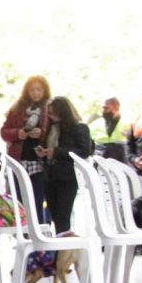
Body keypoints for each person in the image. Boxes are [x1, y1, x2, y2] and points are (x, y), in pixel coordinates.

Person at [36, 96, 92, 235]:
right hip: (50, 175)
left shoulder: (80, 127)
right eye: (49, 113)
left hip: (68, 176)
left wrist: (56, 152)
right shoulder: (52, 128)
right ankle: (61, 242)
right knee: (54, 214)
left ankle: (65, 247)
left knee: (63, 214)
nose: (51, 116)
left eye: (54, 112)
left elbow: (84, 151)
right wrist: (44, 152)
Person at [1, 75, 52, 224]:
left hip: (39, 163)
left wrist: (41, 133)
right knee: (19, 203)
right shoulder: (17, 109)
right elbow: (4, 131)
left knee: (37, 202)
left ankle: (40, 239)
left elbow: (55, 132)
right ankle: (23, 237)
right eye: (32, 90)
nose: (35, 93)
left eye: (39, 89)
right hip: (19, 161)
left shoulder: (49, 108)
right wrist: (18, 133)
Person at [89, 97, 126, 162]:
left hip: (119, 161)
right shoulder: (97, 123)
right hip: (100, 160)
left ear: (116, 109)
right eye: (102, 108)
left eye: (106, 108)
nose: (103, 111)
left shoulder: (127, 123)